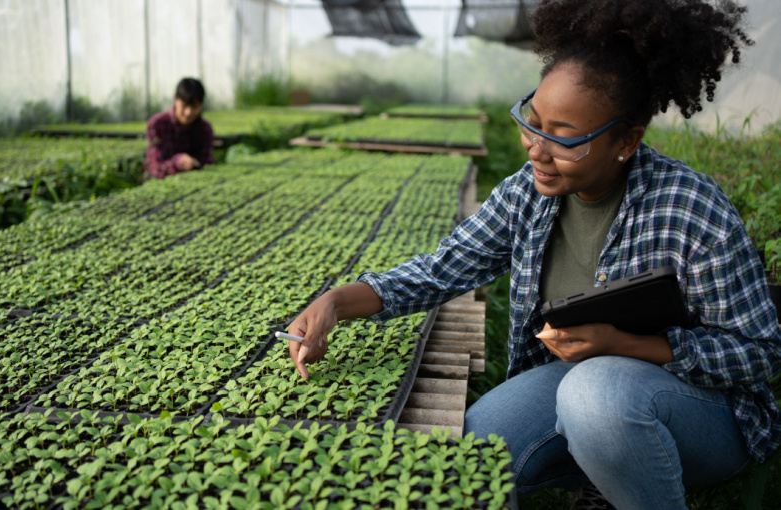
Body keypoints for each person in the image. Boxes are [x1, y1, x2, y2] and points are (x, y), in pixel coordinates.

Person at [286, 0, 781, 508]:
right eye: (533, 120)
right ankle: (606, 467)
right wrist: (336, 303)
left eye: (563, 138)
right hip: (576, 386)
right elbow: (441, 270)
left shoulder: (690, 208)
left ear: (626, 142)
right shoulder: (528, 192)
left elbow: (760, 352)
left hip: (706, 411)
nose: (535, 149)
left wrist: (624, 344)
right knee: (471, 464)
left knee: (595, 397)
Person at [144, 77, 215, 179]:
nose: (188, 112)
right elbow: (154, 168)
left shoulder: (205, 129)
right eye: (184, 105)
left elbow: (208, 165)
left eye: (194, 107)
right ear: (175, 98)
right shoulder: (157, 124)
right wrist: (178, 162)